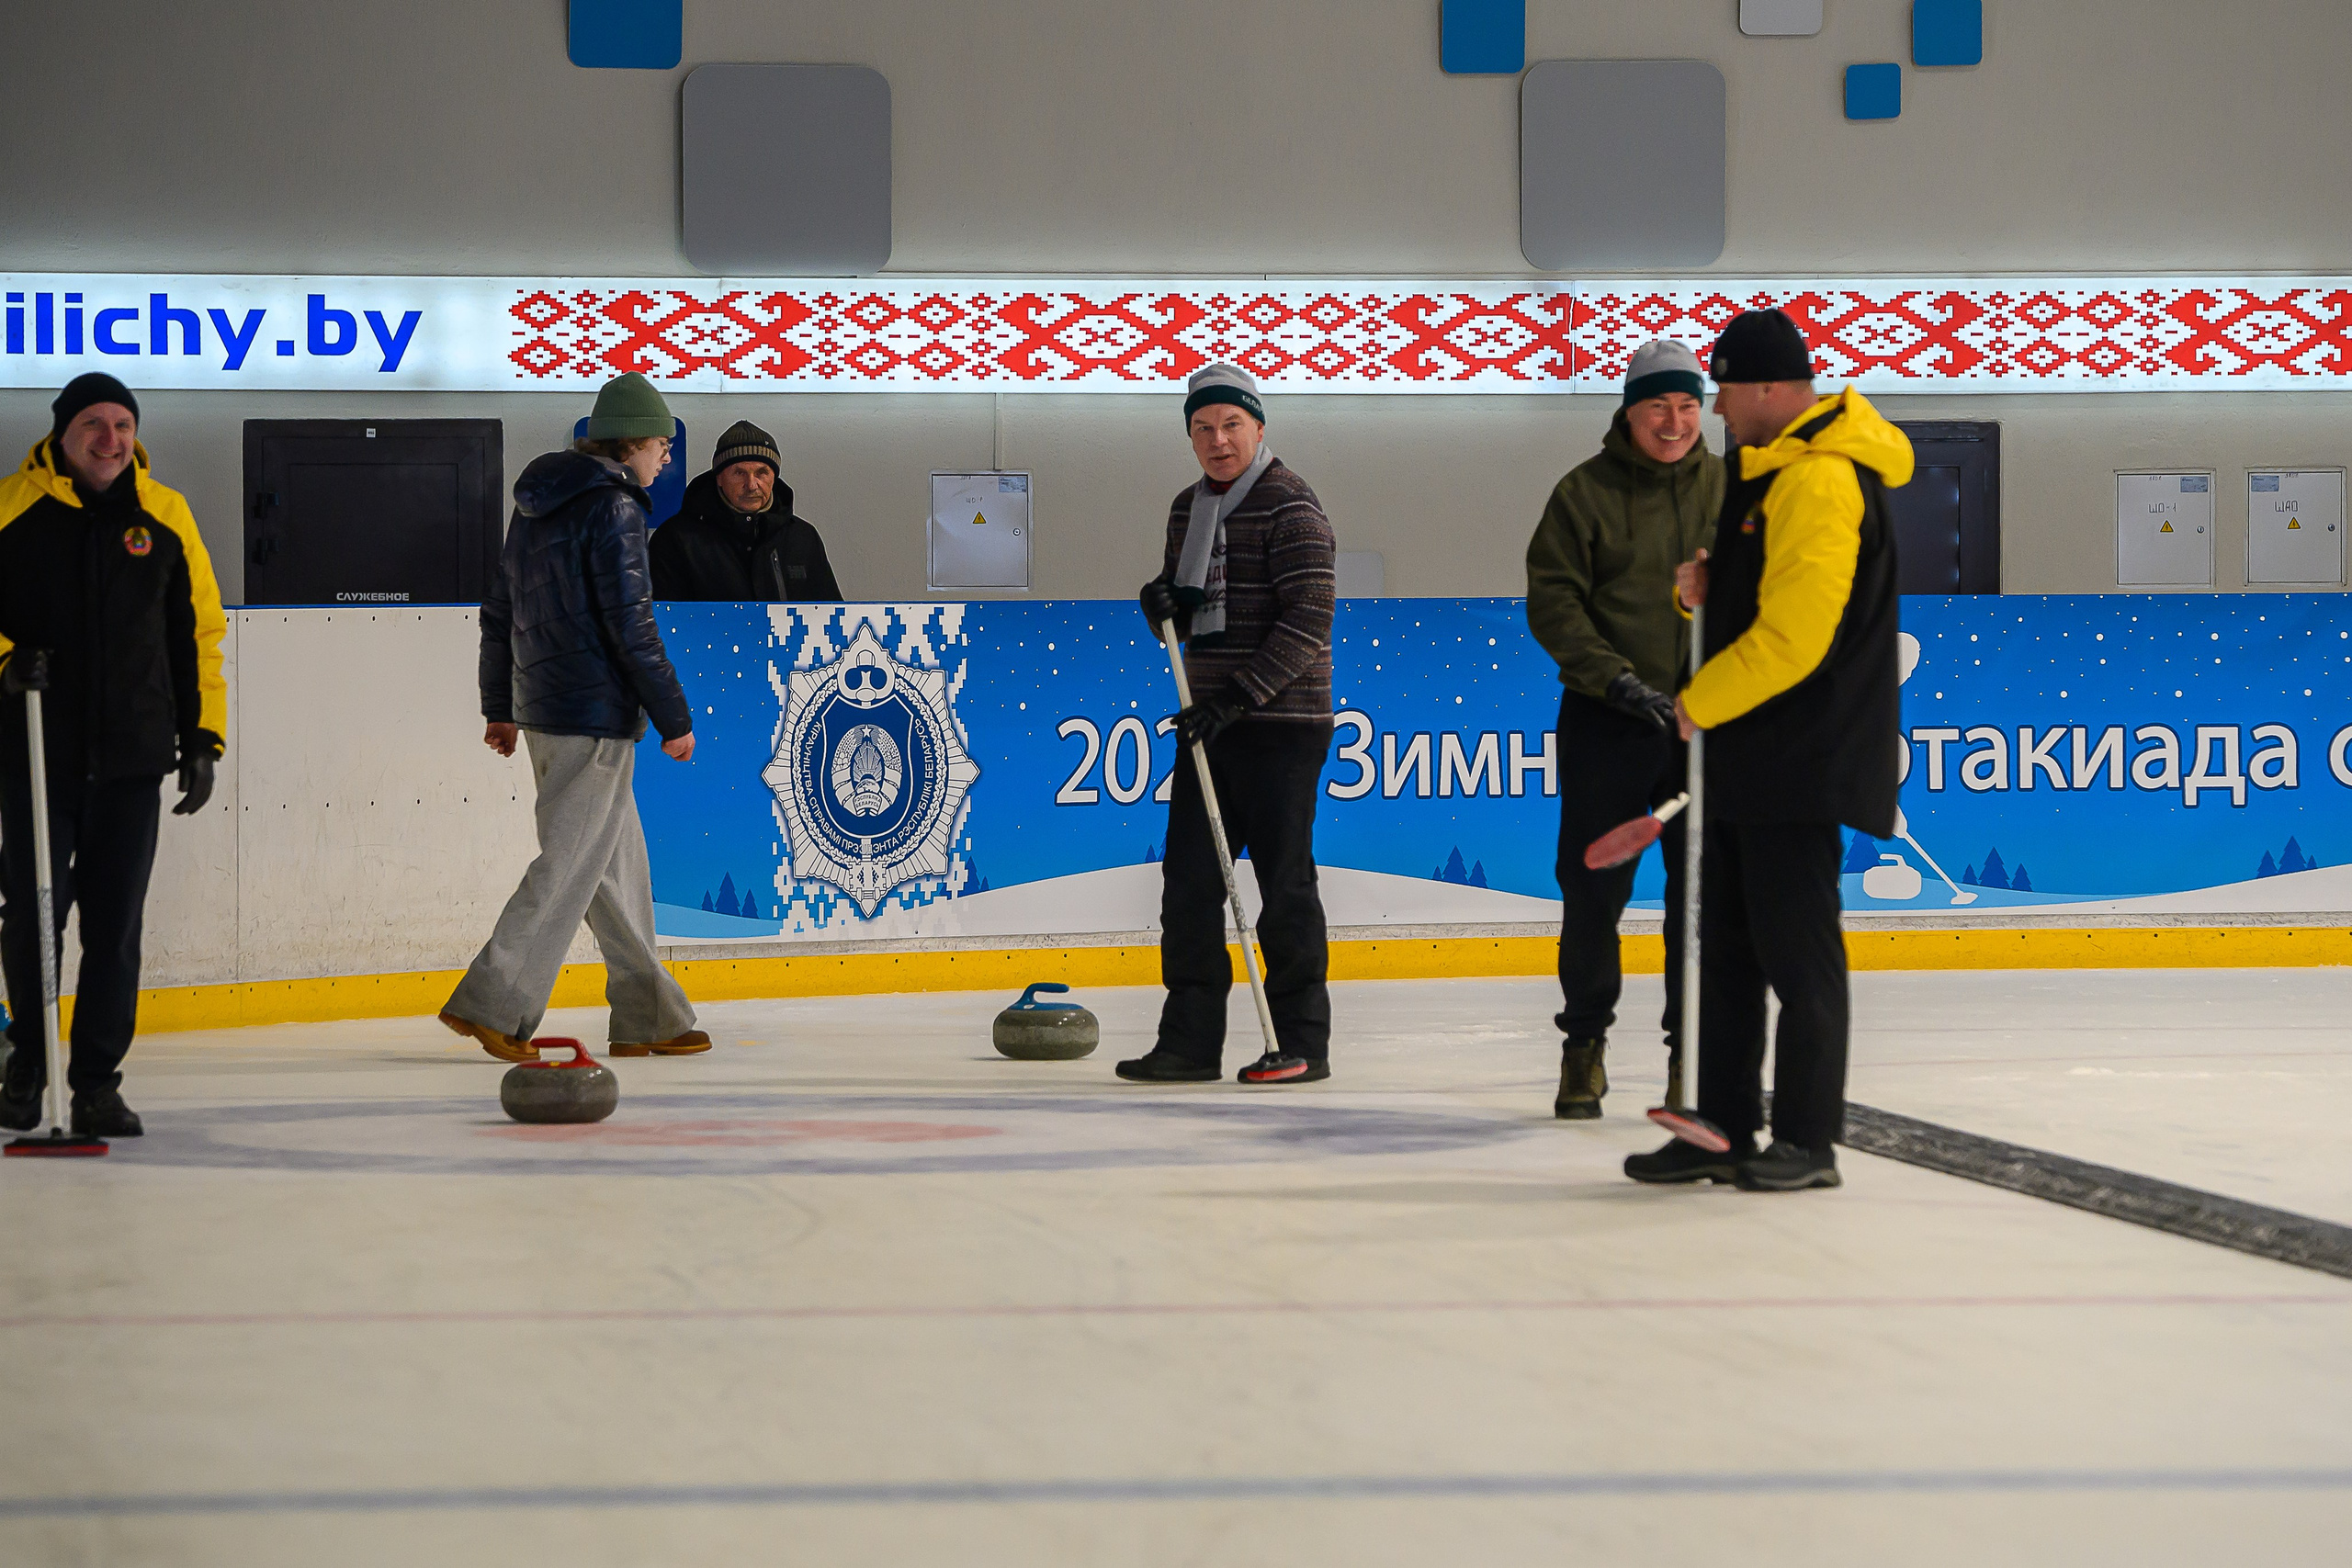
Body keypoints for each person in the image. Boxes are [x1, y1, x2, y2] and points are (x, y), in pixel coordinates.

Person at [1625, 309, 1910, 1192]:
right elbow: (1758, 602)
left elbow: (1798, 637)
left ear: (1766, 389)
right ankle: (1721, 1126)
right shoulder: (1775, 471)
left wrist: (1696, 704)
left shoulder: (1821, 479)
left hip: (1801, 758)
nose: (1715, 412)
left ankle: (1807, 1139)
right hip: (1754, 760)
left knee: (1797, 953)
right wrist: (1703, 592)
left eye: (1721, 393)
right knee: (1730, 953)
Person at [441, 372, 711, 1063]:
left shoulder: (537, 505)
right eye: (661, 445)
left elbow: (499, 612)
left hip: (544, 709)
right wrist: (673, 714)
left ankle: (648, 1012)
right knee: (569, 865)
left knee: (617, 870)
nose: (667, 460)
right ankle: (493, 1000)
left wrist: (500, 706)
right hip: (592, 715)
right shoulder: (617, 508)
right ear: (633, 444)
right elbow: (631, 624)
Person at [0, 374, 226, 1137]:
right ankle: (27, 1065)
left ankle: (96, 1081)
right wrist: (5, 659)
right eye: (93, 424)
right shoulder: (11, 508)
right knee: (34, 920)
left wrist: (202, 737)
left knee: (115, 925)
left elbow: (198, 635)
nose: (110, 439)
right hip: (35, 753)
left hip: (133, 758)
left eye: (122, 423)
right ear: (61, 434)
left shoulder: (164, 516)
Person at [1119, 363, 1338, 1085]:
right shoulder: (1188, 509)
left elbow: (1309, 621)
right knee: (1187, 887)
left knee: (1285, 886)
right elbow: (1186, 622)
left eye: (1232, 424)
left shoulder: (1291, 505)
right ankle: (1188, 1042)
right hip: (1212, 724)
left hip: (1280, 725)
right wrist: (1160, 609)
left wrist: (1238, 697)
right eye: (1203, 428)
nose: (1218, 440)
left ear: (1259, 426)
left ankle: (1303, 1040)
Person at [1525, 340, 1724, 1121]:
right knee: (1593, 894)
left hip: (1704, 727)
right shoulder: (1583, 495)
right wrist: (1619, 680)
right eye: (1657, 407)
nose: (1673, 422)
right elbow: (1555, 604)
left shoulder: (1731, 490)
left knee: (1699, 901)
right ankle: (1584, 1046)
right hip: (1610, 722)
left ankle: (1691, 1060)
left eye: (1686, 405)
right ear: (1629, 411)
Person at [648, 420, 842, 602]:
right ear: (719, 478)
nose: (751, 485)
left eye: (761, 473)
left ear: (774, 478)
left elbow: (833, 618)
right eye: (739, 473)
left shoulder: (803, 537)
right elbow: (662, 622)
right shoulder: (675, 540)